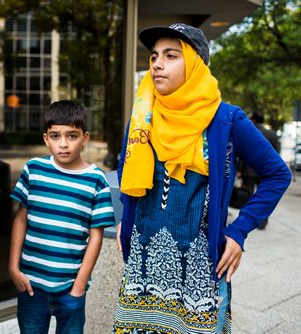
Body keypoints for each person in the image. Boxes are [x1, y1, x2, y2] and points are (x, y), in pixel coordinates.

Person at [113, 23, 291, 333]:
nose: (157, 64)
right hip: (143, 266)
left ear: (195, 64)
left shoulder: (225, 119)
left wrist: (240, 230)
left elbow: (277, 174)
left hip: (199, 267)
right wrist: (126, 215)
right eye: (154, 56)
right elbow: (125, 167)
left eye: (171, 56)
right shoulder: (142, 116)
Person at [9, 100, 116, 334]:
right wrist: (13, 267)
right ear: (46, 138)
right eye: (55, 136)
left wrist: (79, 286)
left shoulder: (96, 179)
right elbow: (20, 220)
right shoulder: (34, 170)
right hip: (31, 286)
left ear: (85, 137)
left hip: (70, 289)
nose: (64, 144)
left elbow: (95, 237)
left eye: (72, 136)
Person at [238, 112, 280, 229]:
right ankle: (263, 222)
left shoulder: (248, 130)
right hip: (265, 171)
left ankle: (246, 222)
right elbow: (276, 154)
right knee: (264, 195)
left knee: (248, 195)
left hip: (249, 170)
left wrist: (239, 169)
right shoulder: (272, 134)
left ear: (254, 119)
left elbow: (242, 152)